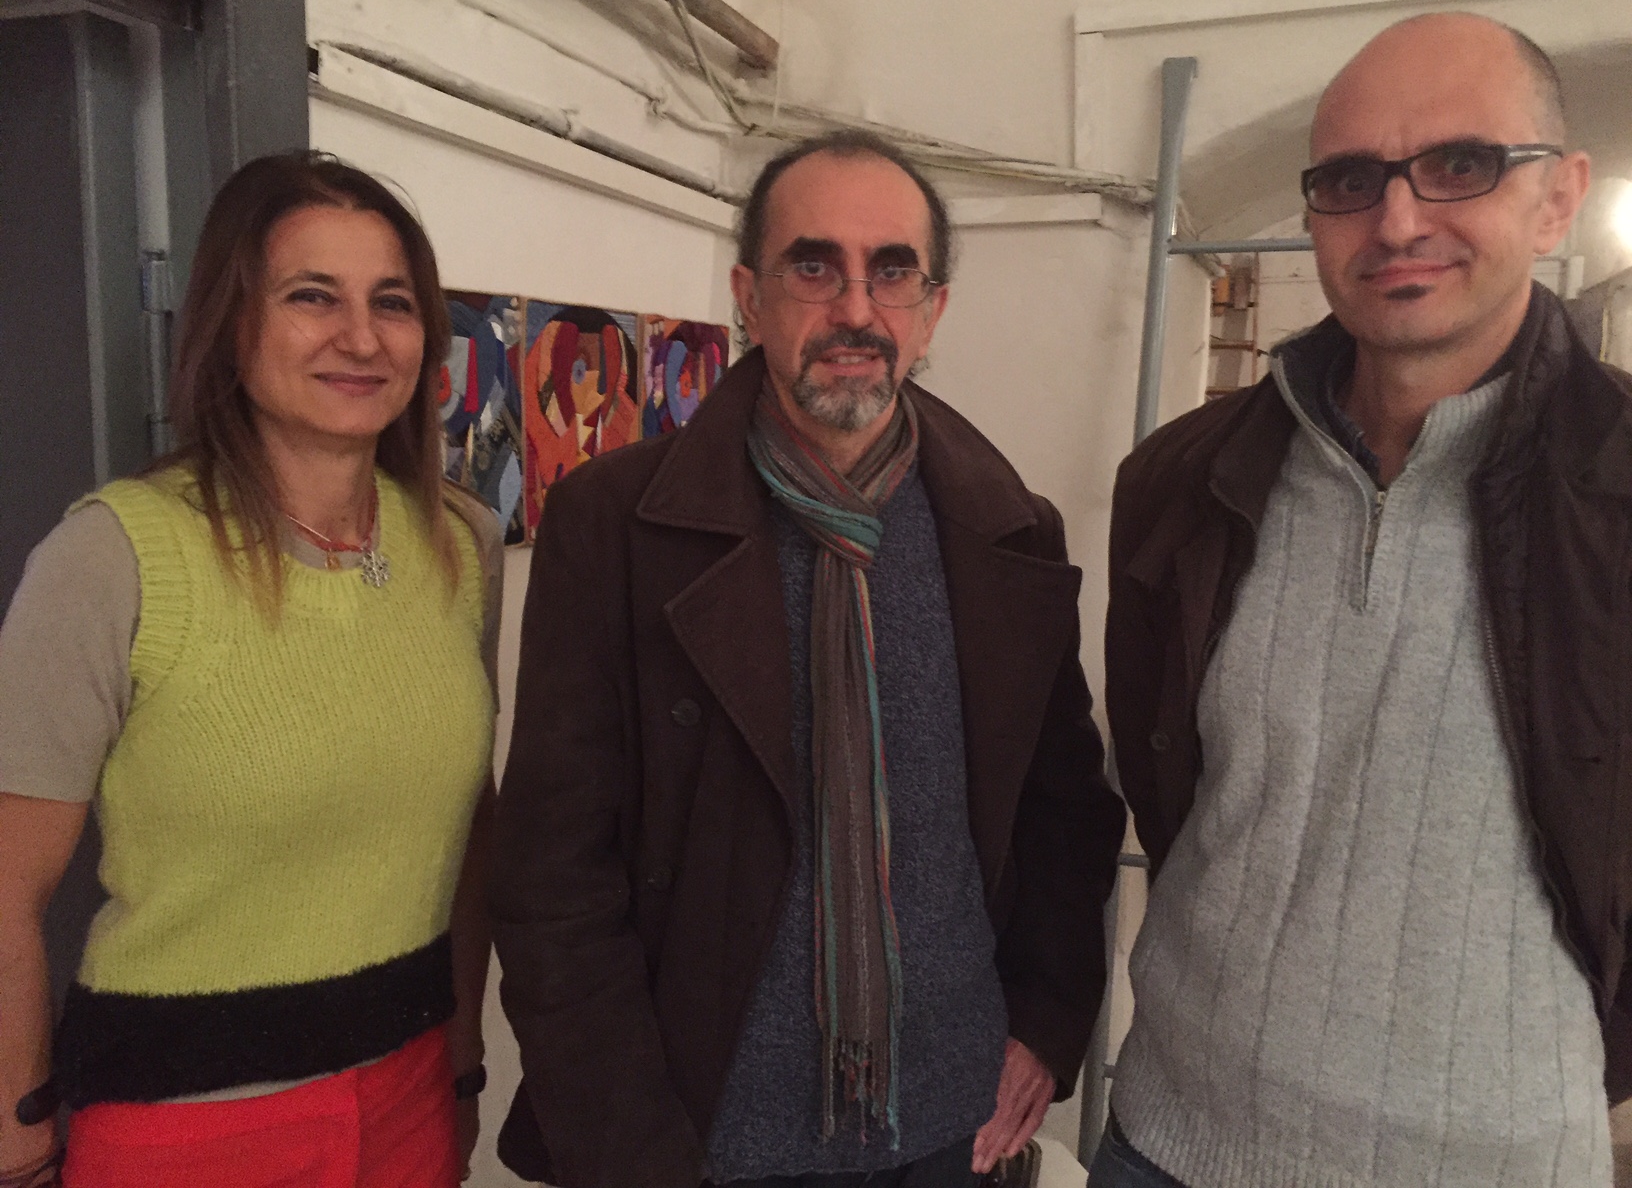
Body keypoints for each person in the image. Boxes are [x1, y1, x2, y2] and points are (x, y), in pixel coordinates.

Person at [491, 129, 1125, 1188]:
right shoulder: (617, 527)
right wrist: (627, 1153)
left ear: (933, 309)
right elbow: (554, 873)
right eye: (815, 267)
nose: (856, 310)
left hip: (950, 1126)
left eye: (893, 272)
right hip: (705, 1140)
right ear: (750, 295)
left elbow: (1064, 812)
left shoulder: (1010, 530)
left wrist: (1048, 1023)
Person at [1099, 12, 1625, 1187]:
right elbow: (1168, 784)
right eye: (1350, 180)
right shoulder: (1183, 481)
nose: (1396, 221)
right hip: (1167, 1138)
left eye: (1461, 164)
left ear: (1558, 198)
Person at [0, 152, 501, 1188]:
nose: (360, 337)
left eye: (393, 302)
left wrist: (462, 1063)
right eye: (312, 296)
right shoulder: (114, 556)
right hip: (183, 1128)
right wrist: (18, 1143)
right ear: (233, 324)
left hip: (408, 1094)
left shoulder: (459, 546)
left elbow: (470, 834)